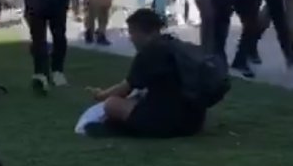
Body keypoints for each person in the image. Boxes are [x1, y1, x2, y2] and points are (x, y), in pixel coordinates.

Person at [90, 8, 211, 138]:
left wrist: (101, 95)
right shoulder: (176, 46)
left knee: (111, 104)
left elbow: (124, 89)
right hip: (194, 122)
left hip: (164, 120)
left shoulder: (149, 53)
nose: (131, 39)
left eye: (132, 33)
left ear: (144, 33)